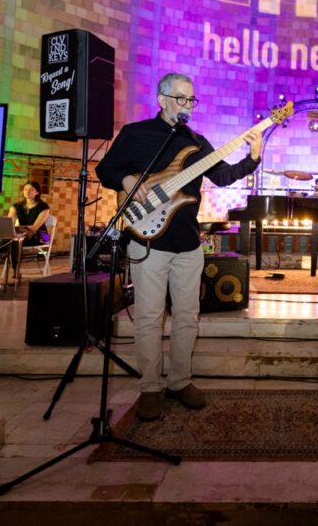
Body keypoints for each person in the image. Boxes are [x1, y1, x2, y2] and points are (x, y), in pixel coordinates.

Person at [95, 72, 262, 421]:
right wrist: (126, 178)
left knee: (187, 317)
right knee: (149, 318)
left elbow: (224, 176)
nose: (188, 105)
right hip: (148, 240)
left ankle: (180, 381)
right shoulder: (136, 134)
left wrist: (254, 157)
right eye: (182, 98)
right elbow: (106, 168)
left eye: (191, 99)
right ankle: (150, 388)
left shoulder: (198, 143)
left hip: (187, 242)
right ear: (162, 99)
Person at [6, 180, 51, 280]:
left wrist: (19, 228)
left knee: (17, 236)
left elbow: (35, 227)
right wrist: (14, 228)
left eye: (31, 190)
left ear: (37, 192)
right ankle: (16, 272)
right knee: (14, 239)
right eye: (25, 189)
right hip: (21, 236)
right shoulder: (16, 206)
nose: (28, 192)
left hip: (42, 236)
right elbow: (9, 224)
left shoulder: (44, 207)